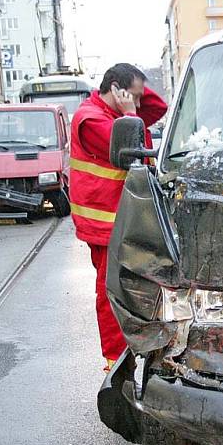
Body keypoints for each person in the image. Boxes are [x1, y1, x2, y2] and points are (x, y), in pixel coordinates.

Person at [70, 63, 168, 371]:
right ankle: (115, 362)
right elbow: (135, 149)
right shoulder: (92, 119)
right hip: (105, 224)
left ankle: (130, 350)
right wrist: (129, 109)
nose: (140, 104)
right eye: (133, 96)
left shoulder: (112, 114)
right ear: (116, 90)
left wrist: (130, 96)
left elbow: (159, 106)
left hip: (120, 219)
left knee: (129, 289)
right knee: (111, 292)